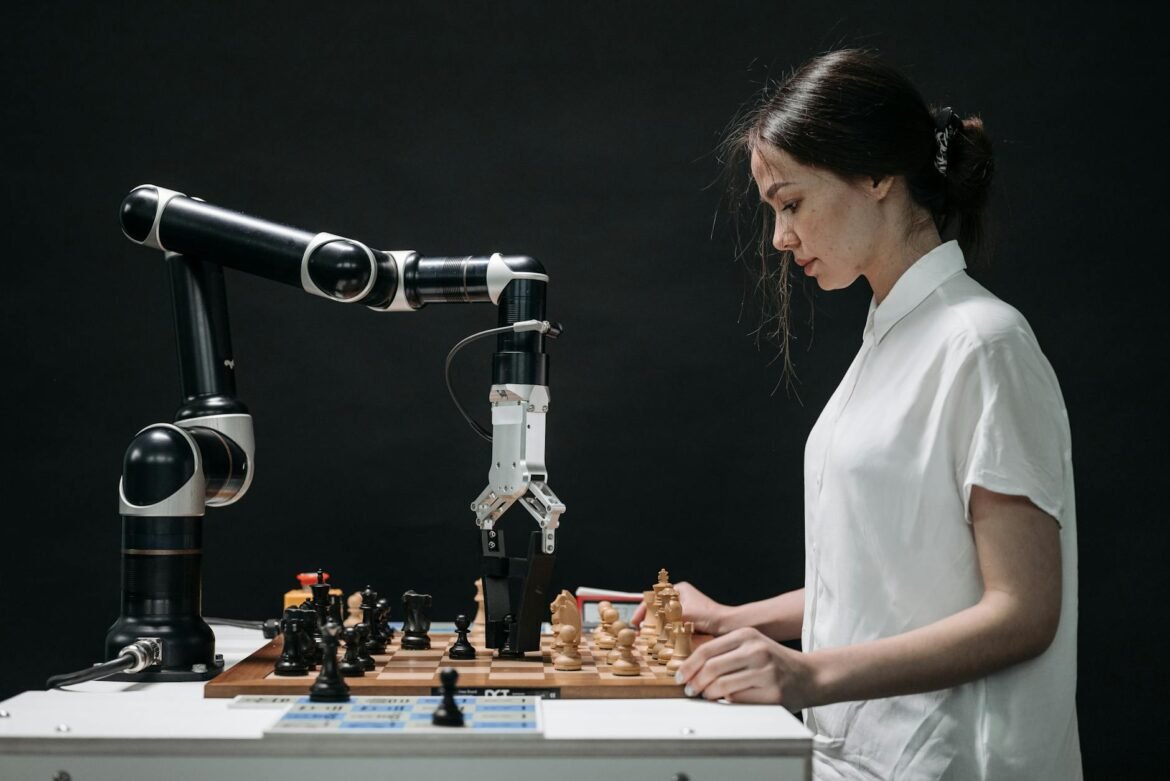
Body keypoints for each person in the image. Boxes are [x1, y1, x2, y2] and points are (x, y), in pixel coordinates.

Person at [634, 49, 1081, 779]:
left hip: (953, 762)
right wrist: (736, 619)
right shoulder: (891, 339)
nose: (780, 238)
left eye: (791, 203)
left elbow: (1023, 611)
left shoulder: (981, 343)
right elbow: (894, 578)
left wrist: (806, 674)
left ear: (876, 174)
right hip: (863, 755)